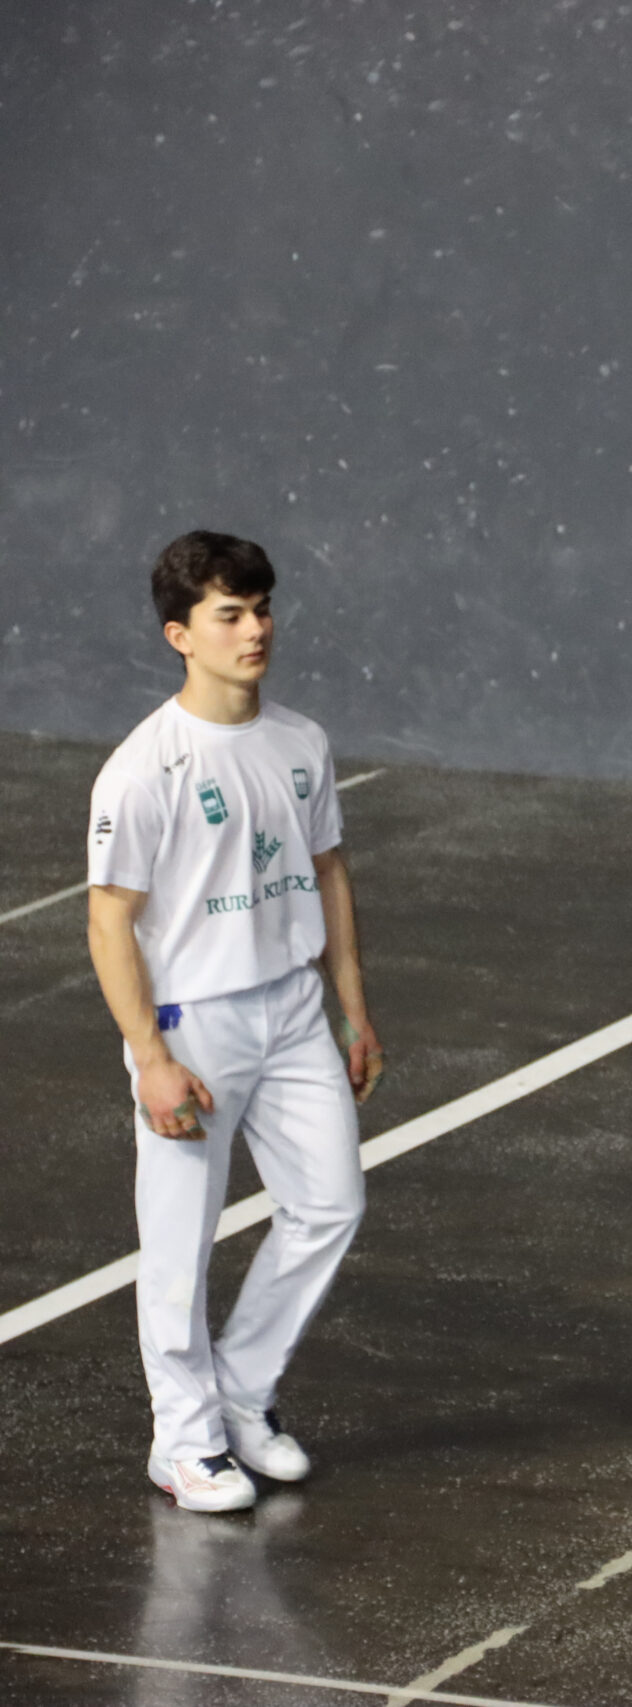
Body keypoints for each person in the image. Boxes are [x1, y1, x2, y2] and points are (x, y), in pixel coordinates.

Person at [86, 532, 385, 1514]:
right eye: (229, 614)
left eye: (261, 609)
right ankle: (183, 1443)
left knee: (330, 1205)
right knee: (181, 1245)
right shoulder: (145, 769)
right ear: (181, 634)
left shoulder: (301, 742)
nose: (255, 630)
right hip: (193, 1026)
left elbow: (329, 871)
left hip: (294, 1010)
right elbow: (109, 920)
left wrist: (351, 1008)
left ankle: (241, 1394)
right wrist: (151, 1057)